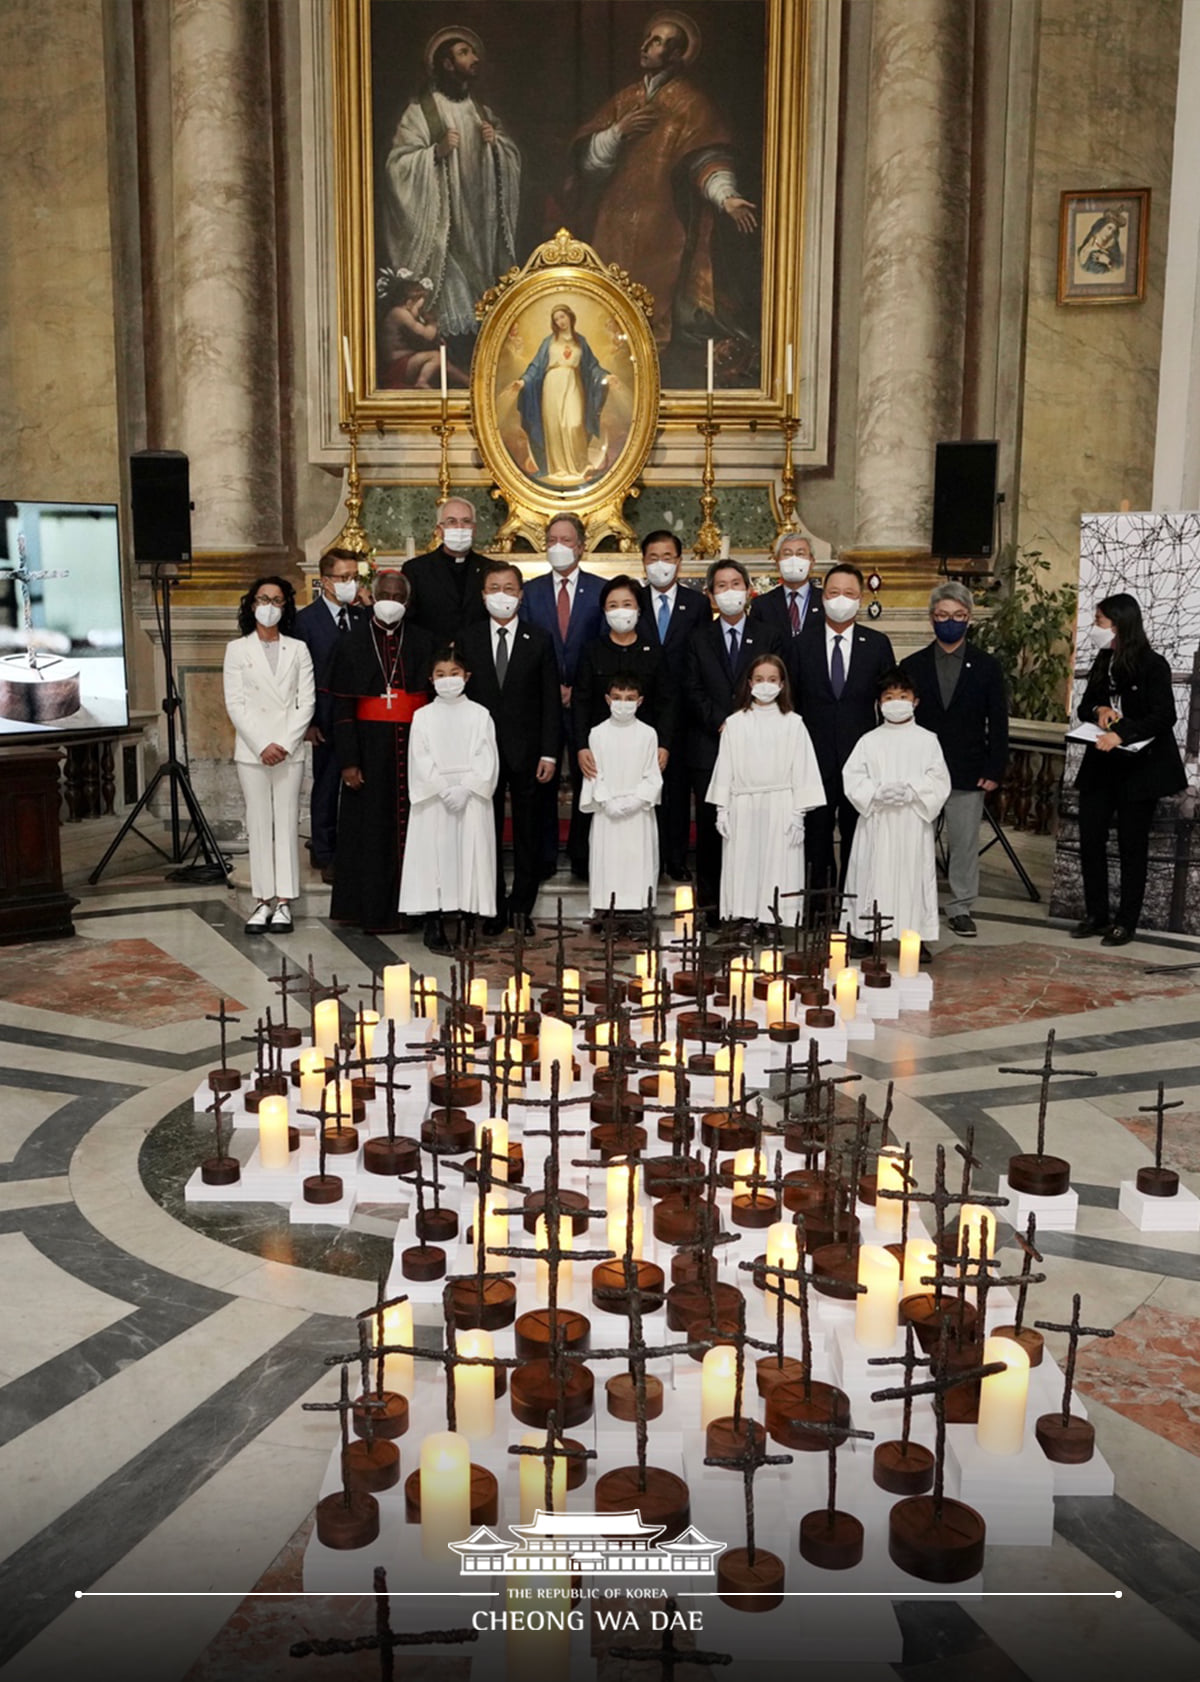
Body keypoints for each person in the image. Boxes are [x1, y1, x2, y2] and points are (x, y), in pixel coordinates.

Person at [566, 13, 757, 361]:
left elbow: (706, 159)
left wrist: (727, 198)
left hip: (662, 222)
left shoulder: (692, 104)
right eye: (649, 37)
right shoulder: (626, 99)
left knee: (652, 300)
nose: (646, 46)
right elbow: (586, 161)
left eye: (658, 42)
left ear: (676, 55)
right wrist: (617, 133)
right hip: (613, 216)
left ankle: (643, 363)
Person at [382, 29, 520, 349]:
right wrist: (434, 154)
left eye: (473, 53)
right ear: (446, 64)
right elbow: (397, 166)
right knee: (454, 319)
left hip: (479, 231)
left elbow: (510, 161)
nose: (474, 59)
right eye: (464, 53)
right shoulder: (420, 113)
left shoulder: (481, 113)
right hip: (446, 231)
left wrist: (497, 146)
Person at [1072, 592, 1186, 945]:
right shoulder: (1104, 661)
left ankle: (1126, 921)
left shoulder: (1154, 664)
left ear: (1120, 624)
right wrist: (1099, 712)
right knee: (1090, 838)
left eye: (1100, 621)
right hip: (1101, 767)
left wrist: (1122, 733)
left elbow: (1164, 715)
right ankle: (1097, 914)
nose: (1095, 628)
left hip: (1140, 770)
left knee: (1131, 845)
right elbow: (1086, 706)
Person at [327, 570, 435, 934]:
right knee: (369, 832)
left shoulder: (423, 640)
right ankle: (369, 911)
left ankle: (414, 910)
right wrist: (349, 762)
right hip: (368, 751)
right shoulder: (352, 642)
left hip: (414, 749)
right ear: (373, 597)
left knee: (414, 831)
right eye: (385, 593)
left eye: (399, 596)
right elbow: (341, 709)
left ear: (408, 602)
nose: (392, 600)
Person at [901, 582, 1009, 937]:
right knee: (918, 841)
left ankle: (960, 906)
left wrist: (994, 768)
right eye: (944, 615)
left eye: (958, 616)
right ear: (932, 618)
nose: (950, 621)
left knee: (963, 843)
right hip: (921, 771)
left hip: (969, 769)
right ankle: (916, 902)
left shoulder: (987, 666)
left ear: (969, 619)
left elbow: (999, 720)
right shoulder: (911, 665)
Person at [460, 561, 560, 937]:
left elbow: (550, 700)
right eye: (493, 587)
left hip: (528, 752)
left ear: (521, 594)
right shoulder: (467, 639)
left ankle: (521, 907)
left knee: (527, 831)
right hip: (481, 754)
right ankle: (492, 906)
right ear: (483, 595)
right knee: (486, 829)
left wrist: (549, 752)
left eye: (508, 588)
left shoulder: (540, 638)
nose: (501, 594)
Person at [683, 558, 785, 918]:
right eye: (721, 586)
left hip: (757, 748)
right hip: (709, 746)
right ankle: (712, 907)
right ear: (711, 595)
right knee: (712, 831)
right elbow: (691, 688)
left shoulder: (770, 634)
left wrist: (746, 722)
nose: (730, 592)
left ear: (748, 590)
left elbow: (776, 684)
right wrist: (722, 722)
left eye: (736, 584)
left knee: (752, 829)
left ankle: (752, 906)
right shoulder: (697, 638)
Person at [790, 561, 896, 900]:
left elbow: (890, 700)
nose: (841, 599)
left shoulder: (877, 644)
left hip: (861, 758)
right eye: (834, 592)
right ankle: (819, 906)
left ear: (860, 598)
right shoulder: (798, 643)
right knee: (816, 833)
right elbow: (790, 701)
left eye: (849, 593)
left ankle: (855, 903)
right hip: (813, 755)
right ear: (822, 597)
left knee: (859, 832)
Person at [222, 576, 315, 935]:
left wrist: (285, 743)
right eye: (263, 599)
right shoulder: (237, 650)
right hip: (253, 750)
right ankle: (262, 901)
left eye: (277, 600)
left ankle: (285, 902)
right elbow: (235, 703)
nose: (270, 606)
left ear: (286, 606)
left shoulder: (299, 649)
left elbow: (305, 702)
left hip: (288, 750)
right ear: (251, 604)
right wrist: (262, 744)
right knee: (259, 823)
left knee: (286, 822)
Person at [706, 654, 824, 930]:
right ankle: (745, 918)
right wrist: (722, 809)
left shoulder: (793, 723)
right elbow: (726, 766)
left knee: (778, 865)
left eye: (772, 679)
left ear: (783, 685)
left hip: (781, 803)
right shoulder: (735, 723)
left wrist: (798, 813)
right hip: (743, 803)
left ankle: (773, 921)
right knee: (744, 862)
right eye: (759, 679)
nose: (765, 685)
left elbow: (803, 768)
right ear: (749, 683)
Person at [519, 513, 605, 878]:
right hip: (543, 702)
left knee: (592, 775)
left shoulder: (602, 590)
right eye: (552, 539)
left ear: (582, 546)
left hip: (588, 702)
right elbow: (525, 642)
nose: (559, 546)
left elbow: (602, 645)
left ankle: (584, 855)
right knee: (544, 779)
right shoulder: (531, 591)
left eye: (566, 540)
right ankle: (544, 855)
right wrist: (552, 687)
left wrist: (578, 690)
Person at [842, 668, 951, 951]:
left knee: (911, 878)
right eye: (889, 697)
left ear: (915, 701)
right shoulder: (869, 740)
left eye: (903, 696)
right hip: (877, 819)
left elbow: (939, 779)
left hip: (911, 820)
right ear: (879, 703)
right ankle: (865, 933)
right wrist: (876, 793)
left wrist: (912, 791)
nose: (896, 702)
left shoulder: (928, 740)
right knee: (870, 873)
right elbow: (853, 776)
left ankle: (912, 937)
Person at [399, 645, 499, 952]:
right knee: (435, 859)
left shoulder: (480, 714)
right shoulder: (423, 716)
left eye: (454, 674)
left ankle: (469, 920)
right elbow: (419, 757)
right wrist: (442, 788)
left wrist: (466, 787)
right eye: (440, 675)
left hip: (470, 797)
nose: (448, 680)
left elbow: (487, 756)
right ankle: (434, 921)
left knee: (470, 855)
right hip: (434, 797)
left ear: (466, 677)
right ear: (431, 679)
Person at [637, 528, 707, 881]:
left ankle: (675, 857)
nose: (660, 565)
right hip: (640, 709)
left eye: (668, 558)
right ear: (643, 562)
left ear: (679, 562)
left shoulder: (696, 604)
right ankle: (644, 857)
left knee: (677, 788)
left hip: (683, 711)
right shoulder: (632, 598)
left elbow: (701, 653)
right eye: (653, 558)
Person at [293, 547, 365, 883]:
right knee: (327, 783)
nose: (350, 583)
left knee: (358, 784)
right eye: (343, 577)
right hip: (324, 717)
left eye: (355, 577)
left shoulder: (363, 615)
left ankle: (354, 850)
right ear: (325, 581)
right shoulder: (305, 621)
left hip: (361, 715)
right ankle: (323, 850)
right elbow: (299, 674)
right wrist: (307, 722)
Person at [580, 672, 663, 924]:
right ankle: (606, 910)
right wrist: (607, 801)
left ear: (640, 701)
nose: (623, 703)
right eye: (617, 697)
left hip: (638, 811)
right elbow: (594, 774)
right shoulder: (597, 733)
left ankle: (639, 910)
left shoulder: (648, 734)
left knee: (637, 859)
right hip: (608, 811)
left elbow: (653, 774)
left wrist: (636, 801)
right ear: (607, 700)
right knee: (609, 859)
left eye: (629, 698)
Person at [574, 576, 675, 763]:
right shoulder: (591, 651)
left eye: (627, 604)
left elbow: (666, 702)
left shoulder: (654, 652)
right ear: (604, 611)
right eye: (613, 605)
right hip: (599, 747)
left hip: (644, 747)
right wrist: (581, 746)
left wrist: (664, 744)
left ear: (639, 610)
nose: (620, 611)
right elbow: (581, 702)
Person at [510, 305, 613, 485]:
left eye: (562, 317)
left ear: (570, 317)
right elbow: (535, 367)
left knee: (574, 423)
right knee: (554, 426)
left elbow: (591, 366)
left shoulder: (581, 341)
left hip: (573, 382)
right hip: (551, 385)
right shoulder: (548, 342)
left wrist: (606, 376)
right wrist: (523, 381)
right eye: (556, 319)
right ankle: (557, 469)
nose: (560, 321)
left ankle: (579, 467)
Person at [403, 496, 490, 643]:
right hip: (432, 657)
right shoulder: (416, 570)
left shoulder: (490, 569)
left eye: (466, 521)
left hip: (478, 656)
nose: (460, 528)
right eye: (452, 522)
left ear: (474, 530)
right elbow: (410, 624)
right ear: (439, 530)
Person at [376, 273, 469, 389]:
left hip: (404, 363)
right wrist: (432, 323)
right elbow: (427, 335)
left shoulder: (399, 312)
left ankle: (468, 382)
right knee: (437, 357)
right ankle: (422, 381)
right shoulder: (400, 313)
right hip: (397, 368)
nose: (420, 312)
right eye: (419, 308)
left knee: (444, 363)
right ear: (409, 303)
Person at [748, 531, 824, 639]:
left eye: (800, 554)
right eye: (787, 554)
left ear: (812, 562)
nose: (794, 559)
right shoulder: (762, 604)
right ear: (777, 563)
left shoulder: (825, 601)